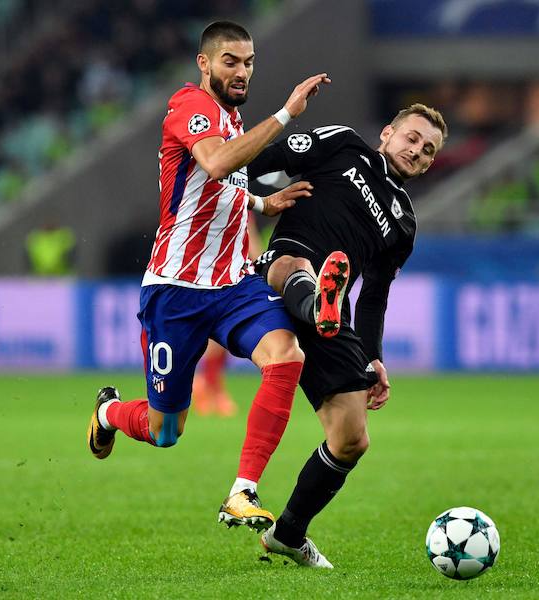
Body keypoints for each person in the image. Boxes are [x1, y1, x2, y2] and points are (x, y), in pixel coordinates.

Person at [85, 20, 330, 532]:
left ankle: (243, 491)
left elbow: (217, 186)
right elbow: (216, 165)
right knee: (165, 431)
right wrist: (287, 112)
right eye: (230, 61)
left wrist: (262, 203)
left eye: (249, 63)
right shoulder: (189, 105)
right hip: (176, 290)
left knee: (286, 356)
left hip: (232, 285)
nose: (242, 72)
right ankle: (109, 413)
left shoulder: (232, 121)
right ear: (205, 63)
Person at [248, 103, 448, 567]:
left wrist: (374, 357)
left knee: (351, 438)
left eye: (428, 150)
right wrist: (258, 200)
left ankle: (288, 534)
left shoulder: (404, 224)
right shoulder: (345, 144)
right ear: (388, 133)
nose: (417, 151)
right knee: (295, 265)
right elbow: (263, 161)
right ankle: (315, 301)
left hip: (335, 315)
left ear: (430, 164)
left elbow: (375, 296)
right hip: (285, 265)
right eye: (412, 138)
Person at [191, 215, 265, 416]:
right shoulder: (238, 203)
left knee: (219, 337)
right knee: (218, 336)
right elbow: (251, 239)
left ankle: (208, 385)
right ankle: (210, 387)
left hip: (210, 273)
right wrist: (262, 265)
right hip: (223, 276)